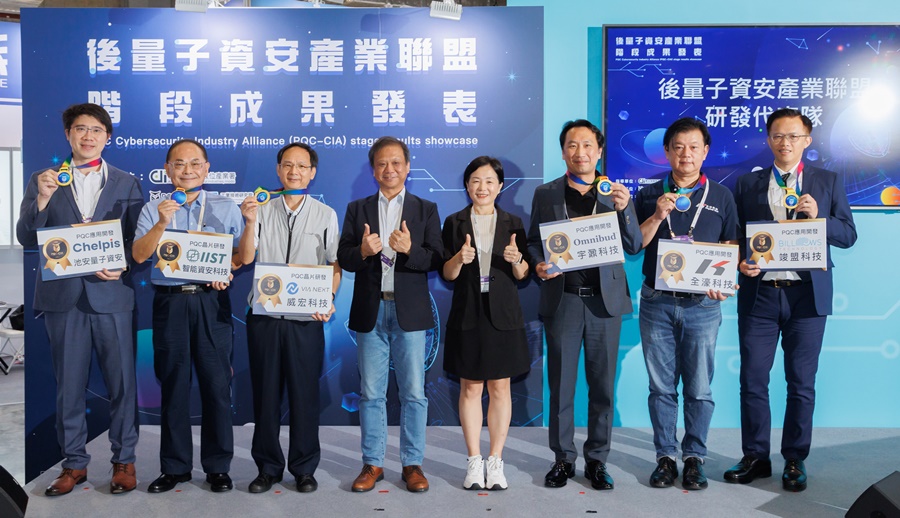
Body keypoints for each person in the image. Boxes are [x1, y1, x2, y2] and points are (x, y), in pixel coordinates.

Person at [725, 108, 857, 492]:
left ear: (807, 140)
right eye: (778, 136)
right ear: (769, 140)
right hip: (761, 296)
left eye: (794, 136)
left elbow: (848, 234)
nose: (786, 143)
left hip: (807, 297)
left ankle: (795, 459)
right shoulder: (747, 184)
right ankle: (756, 456)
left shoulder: (827, 181)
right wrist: (739, 263)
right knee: (753, 379)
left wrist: (820, 219)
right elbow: (736, 234)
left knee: (801, 383)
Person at [16, 103, 143, 496]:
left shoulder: (126, 182)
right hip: (64, 297)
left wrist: (122, 263)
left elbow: (138, 241)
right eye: (81, 129)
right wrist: (41, 200)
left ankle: (124, 460)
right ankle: (73, 463)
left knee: (122, 385)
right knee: (68, 386)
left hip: (112, 296)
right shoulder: (45, 179)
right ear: (68, 134)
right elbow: (26, 236)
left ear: (108, 137)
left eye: (96, 130)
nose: (88, 136)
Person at [526, 119, 642, 490]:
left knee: (602, 387)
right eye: (573, 145)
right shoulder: (546, 193)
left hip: (604, 305)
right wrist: (538, 265)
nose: (580, 152)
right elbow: (533, 242)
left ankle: (597, 460)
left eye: (588, 145)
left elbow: (634, 245)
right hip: (564, 301)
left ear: (599, 151)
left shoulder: (615, 193)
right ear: (563, 152)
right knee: (561, 386)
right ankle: (563, 459)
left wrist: (625, 208)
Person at [132, 139, 244, 494]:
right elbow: (139, 255)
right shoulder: (153, 208)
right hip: (170, 303)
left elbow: (241, 255)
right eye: (179, 164)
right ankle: (175, 467)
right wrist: (162, 223)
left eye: (195, 163)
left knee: (216, 386)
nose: (187, 170)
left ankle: (218, 467)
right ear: (168, 169)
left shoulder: (225, 207)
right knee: (173, 386)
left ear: (206, 168)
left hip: (211, 302)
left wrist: (226, 270)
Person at [634, 118, 739, 490]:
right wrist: (656, 215)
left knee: (698, 388)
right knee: (661, 387)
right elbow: (635, 245)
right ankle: (665, 457)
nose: (686, 154)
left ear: (705, 151)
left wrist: (723, 282)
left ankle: (694, 458)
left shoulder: (722, 196)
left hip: (702, 307)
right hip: (656, 302)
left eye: (694, 147)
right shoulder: (649, 194)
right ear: (667, 151)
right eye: (678, 147)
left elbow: (730, 245)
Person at [337, 136, 443, 493]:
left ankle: (413, 464)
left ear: (408, 167)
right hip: (371, 310)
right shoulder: (358, 209)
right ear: (373, 170)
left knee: (413, 393)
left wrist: (410, 249)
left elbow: (436, 259)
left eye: (396, 162)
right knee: (371, 393)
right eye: (382, 163)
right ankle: (373, 463)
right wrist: (363, 251)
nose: (389, 169)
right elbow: (344, 257)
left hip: (409, 311)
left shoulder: (425, 209)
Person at [238, 143, 341, 494]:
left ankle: (304, 468)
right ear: (278, 170)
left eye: (301, 166)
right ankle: (267, 468)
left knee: (304, 395)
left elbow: (334, 264)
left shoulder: (325, 214)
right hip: (265, 316)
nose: (294, 171)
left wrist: (328, 298)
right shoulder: (261, 208)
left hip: (305, 318)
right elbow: (246, 257)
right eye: (287, 165)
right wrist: (250, 222)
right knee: (265, 395)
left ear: (312, 173)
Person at [440, 156, 531, 491]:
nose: (483, 187)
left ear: (500, 186)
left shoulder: (513, 223)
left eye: (490, 181)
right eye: (476, 180)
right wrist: (458, 259)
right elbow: (446, 274)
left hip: (502, 314)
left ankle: (495, 460)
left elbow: (523, 275)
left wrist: (517, 259)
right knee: (471, 387)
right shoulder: (453, 222)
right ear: (467, 185)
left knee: (500, 388)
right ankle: (473, 461)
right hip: (468, 311)